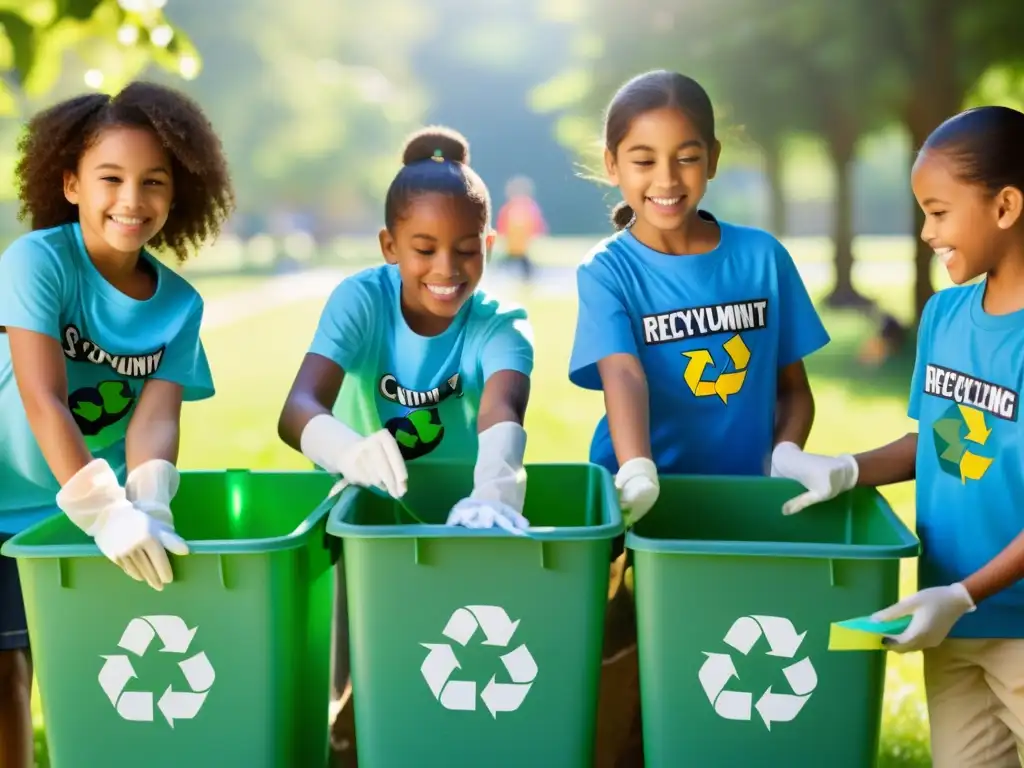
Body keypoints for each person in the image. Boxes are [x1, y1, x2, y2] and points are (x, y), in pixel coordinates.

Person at [566, 70, 830, 766]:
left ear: (712, 158)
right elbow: (620, 371)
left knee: (722, 673)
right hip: (637, 512)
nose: (667, 178)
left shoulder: (761, 258)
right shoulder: (607, 271)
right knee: (625, 690)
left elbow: (793, 390)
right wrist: (637, 466)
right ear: (613, 165)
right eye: (644, 159)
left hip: (736, 510)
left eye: (686, 156)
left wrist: (785, 454)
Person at [772, 105, 1024, 768]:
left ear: (1004, 206)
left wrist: (967, 593)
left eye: (939, 212)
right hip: (946, 617)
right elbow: (941, 442)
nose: (925, 232)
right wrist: (847, 469)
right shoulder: (944, 316)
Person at [276, 126, 535, 764]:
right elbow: (296, 408)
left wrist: (493, 495)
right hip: (360, 516)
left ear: (490, 245)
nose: (446, 269)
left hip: (458, 518)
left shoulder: (500, 325)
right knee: (347, 681)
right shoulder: (361, 301)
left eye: (466, 250)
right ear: (390, 245)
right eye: (423, 249)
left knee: (449, 671)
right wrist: (348, 449)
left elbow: (504, 405)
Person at [0, 82, 233, 767]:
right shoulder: (37, 262)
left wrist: (150, 504)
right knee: (7, 673)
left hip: (79, 516)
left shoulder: (179, 305)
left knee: (105, 671)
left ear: (177, 193)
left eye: (153, 182)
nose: (131, 200)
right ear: (70, 184)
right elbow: (44, 396)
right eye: (111, 178)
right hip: (18, 503)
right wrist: (104, 509)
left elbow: (156, 420)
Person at [496, 175, 547, 281]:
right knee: (516, 261)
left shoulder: (522, 206)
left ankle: (527, 279)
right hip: (515, 243)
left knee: (517, 261)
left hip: (518, 243)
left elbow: (535, 222)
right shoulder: (517, 206)